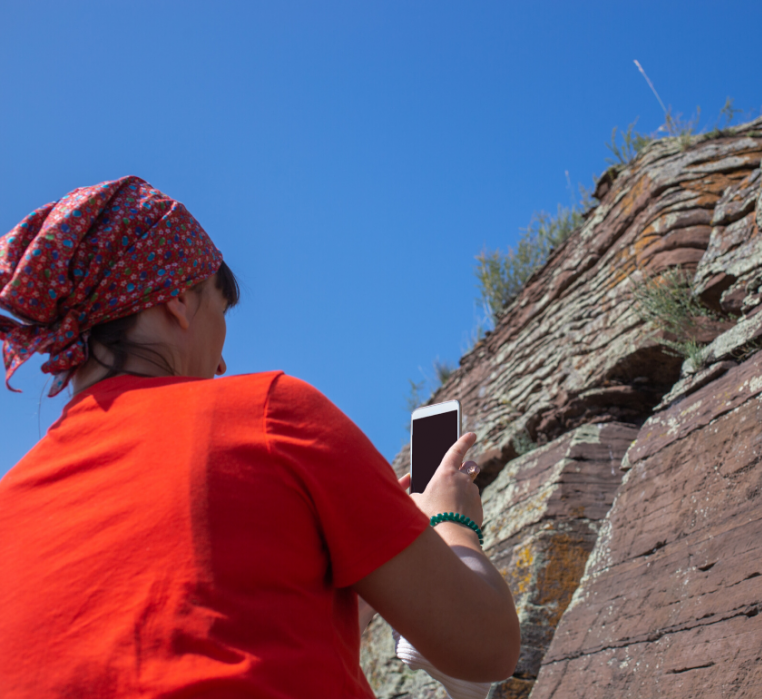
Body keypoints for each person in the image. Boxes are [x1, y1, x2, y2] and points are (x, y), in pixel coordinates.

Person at [0, 176, 520, 698]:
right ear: (176, 301)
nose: (223, 362)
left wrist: (354, 568)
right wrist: (450, 522)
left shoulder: (10, 501)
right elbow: (486, 646)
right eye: (219, 314)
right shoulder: (267, 413)